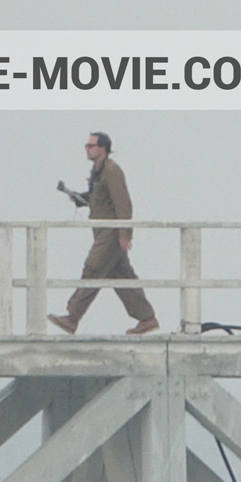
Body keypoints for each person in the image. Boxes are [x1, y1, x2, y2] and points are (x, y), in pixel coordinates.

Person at [50, 132, 158, 335]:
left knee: (92, 268)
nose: (87, 149)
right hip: (102, 231)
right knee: (121, 275)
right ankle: (147, 318)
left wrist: (125, 234)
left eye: (91, 145)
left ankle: (72, 317)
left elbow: (123, 203)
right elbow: (100, 199)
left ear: (103, 148)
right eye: (87, 145)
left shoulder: (112, 170)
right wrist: (80, 197)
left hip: (110, 232)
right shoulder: (98, 171)